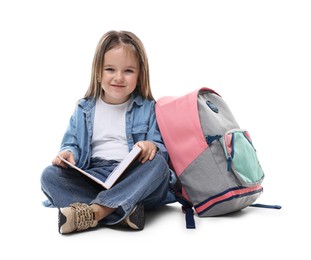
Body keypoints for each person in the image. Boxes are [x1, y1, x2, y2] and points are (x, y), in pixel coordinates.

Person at [40, 30, 176, 234]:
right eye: (110, 69)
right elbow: (72, 145)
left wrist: (151, 146)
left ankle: (94, 212)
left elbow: (161, 150)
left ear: (139, 76)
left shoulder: (148, 108)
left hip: (133, 175)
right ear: (98, 72)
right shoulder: (84, 109)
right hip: (95, 175)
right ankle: (121, 212)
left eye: (128, 71)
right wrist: (68, 154)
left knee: (158, 166)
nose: (118, 77)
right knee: (49, 176)